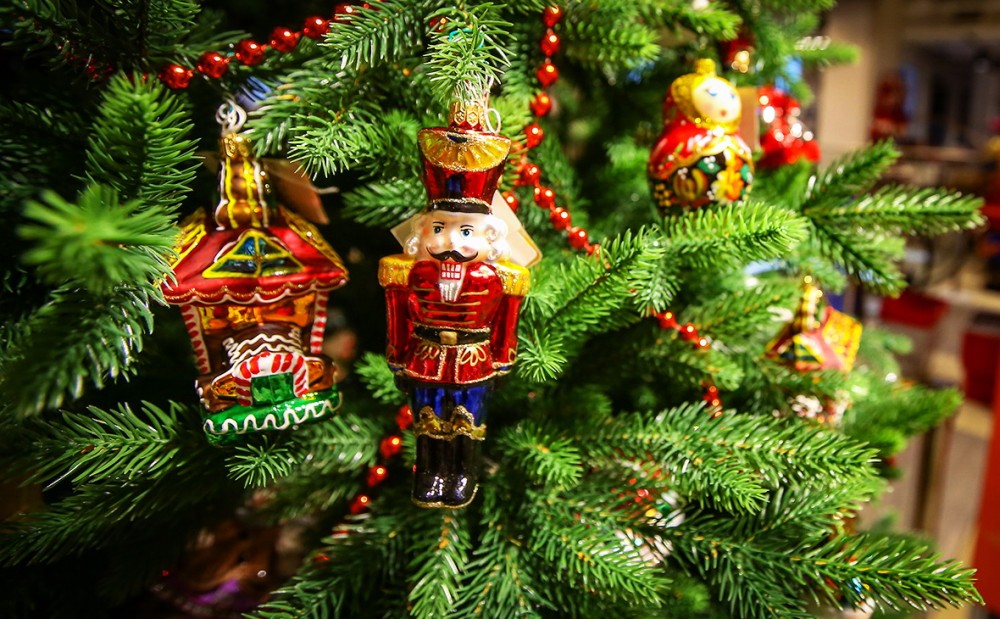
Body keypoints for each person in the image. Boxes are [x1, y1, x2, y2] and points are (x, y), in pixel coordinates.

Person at [379, 92, 529, 508]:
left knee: (467, 421)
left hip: (473, 358)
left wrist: (503, 359)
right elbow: (398, 315)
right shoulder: (410, 274)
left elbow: (506, 321)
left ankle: (462, 475)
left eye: (465, 232)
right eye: (439, 228)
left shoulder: (498, 278)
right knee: (427, 420)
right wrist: (397, 355)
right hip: (425, 356)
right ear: (423, 231)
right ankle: (428, 474)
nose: (449, 241)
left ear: (488, 237)